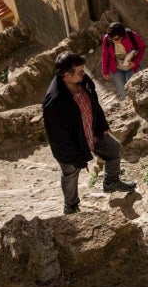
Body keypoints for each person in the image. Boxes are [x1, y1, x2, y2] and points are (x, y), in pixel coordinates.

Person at [43, 51, 136, 214]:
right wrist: (78, 159)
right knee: (71, 174)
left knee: (113, 148)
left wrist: (102, 126)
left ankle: (111, 182)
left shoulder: (83, 80)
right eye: (79, 72)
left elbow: (95, 104)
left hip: (92, 132)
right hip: (73, 145)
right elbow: (59, 137)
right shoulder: (54, 101)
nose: (83, 73)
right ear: (67, 75)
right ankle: (70, 206)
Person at [101, 21, 146, 101]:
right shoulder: (107, 39)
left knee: (132, 89)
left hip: (131, 68)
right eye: (112, 39)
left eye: (117, 39)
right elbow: (105, 54)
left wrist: (135, 62)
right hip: (116, 68)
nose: (114, 41)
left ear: (123, 35)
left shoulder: (133, 36)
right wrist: (105, 71)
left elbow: (142, 49)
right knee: (123, 92)